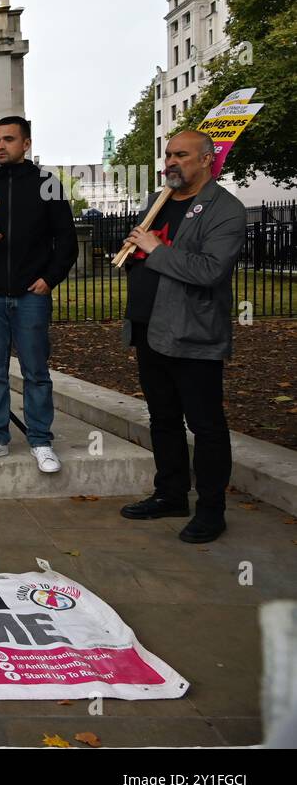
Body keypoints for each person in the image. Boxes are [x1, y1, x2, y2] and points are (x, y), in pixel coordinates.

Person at [119, 130, 246, 544]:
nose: (171, 162)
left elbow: (211, 271)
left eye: (181, 155)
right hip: (149, 329)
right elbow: (147, 257)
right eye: (168, 154)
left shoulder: (224, 209)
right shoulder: (157, 203)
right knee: (164, 419)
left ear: (207, 160)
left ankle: (212, 509)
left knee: (206, 425)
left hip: (192, 334)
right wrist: (137, 252)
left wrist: (155, 249)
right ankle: (171, 494)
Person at [0, 116, 78, 473]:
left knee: (35, 371)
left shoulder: (46, 185)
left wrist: (49, 279)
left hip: (31, 295)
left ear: (26, 144)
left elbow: (66, 242)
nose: (0, 146)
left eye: (8, 139)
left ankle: (41, 441)